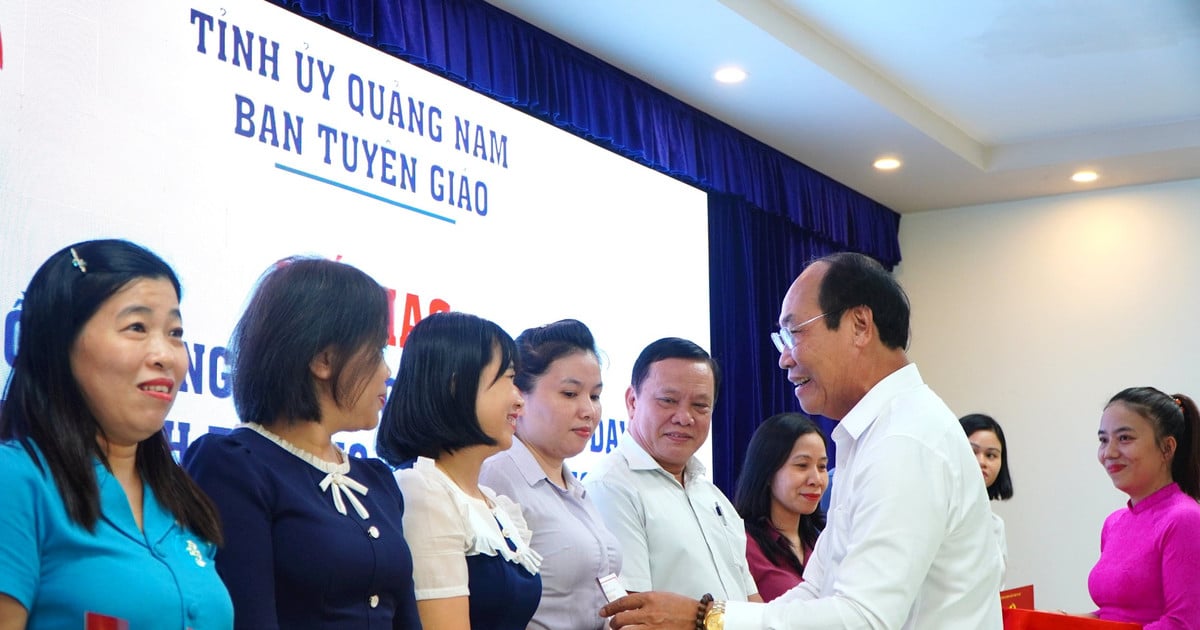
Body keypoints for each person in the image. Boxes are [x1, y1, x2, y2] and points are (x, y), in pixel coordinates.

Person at [602, 251, 1001, 629]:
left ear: (859, 326)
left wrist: (707, 618)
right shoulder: (878, 434)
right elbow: (815, 590)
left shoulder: (905, 440)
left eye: (794, 333)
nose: (785, 358)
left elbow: (862, 619)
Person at [0, 239, 232, 629]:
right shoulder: (16, 481)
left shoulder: (181, 502)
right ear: (61, 343)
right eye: (136, 327)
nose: (165, 354)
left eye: (175, 332)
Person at [183, 257, 420, 628]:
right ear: (324, 360)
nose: (387, 372)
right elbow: (248, 618)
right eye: (376, 352)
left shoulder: (377, 480)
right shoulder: (234, 464)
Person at [376, 311, 542, 630]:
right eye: (509, 379)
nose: (519, 401)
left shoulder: (495, 503)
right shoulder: (422, 488)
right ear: (456, 384)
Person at [586, 337, 761, 603]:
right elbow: (633, 612)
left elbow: (750, 599)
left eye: (700, 405)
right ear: (632, 401)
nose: (684, 417)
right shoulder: (611, 488)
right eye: (668, 400)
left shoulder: (712, 495)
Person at [479, 319, 622, 630]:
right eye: (570, 394)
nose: (589, 410)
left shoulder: (576, 487)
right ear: (518, 396)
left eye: (595, 396)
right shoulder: (495, 478)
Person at [1088, 387, 1200, 628]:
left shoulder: (1185, 519)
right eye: (1103, 440)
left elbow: (1184, 623)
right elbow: (1113, 615)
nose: (1109, 452)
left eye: (1125, 438)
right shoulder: (1114, 523)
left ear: (1167, 448)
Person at [733, 412, 829, 602]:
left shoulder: (824, 541)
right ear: (767, 472)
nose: (816, 480)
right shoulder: (740, 544)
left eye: (822, 466)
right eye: (802, 465)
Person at [959, 413, 1014, 582]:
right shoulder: (934, 516)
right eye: (972, 451)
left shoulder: (996, 526)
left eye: (991, 455)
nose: (981, 461)